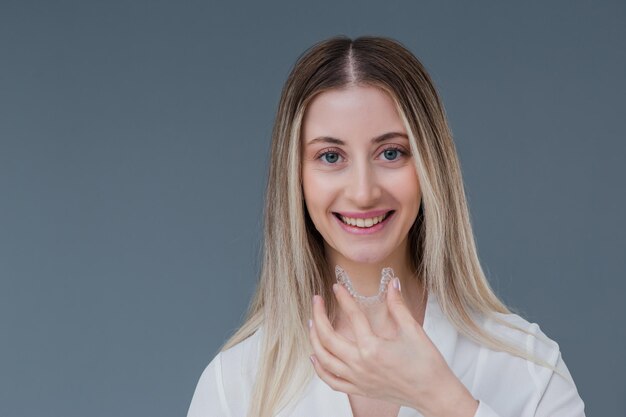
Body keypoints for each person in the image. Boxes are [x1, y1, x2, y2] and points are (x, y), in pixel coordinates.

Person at [186, 35, 586, 417]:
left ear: (431, 167)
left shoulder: (528, 368)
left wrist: (441, 399)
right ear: (296, 177)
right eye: (330, 156)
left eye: (391, 152)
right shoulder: (235, 383)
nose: (363, 192)